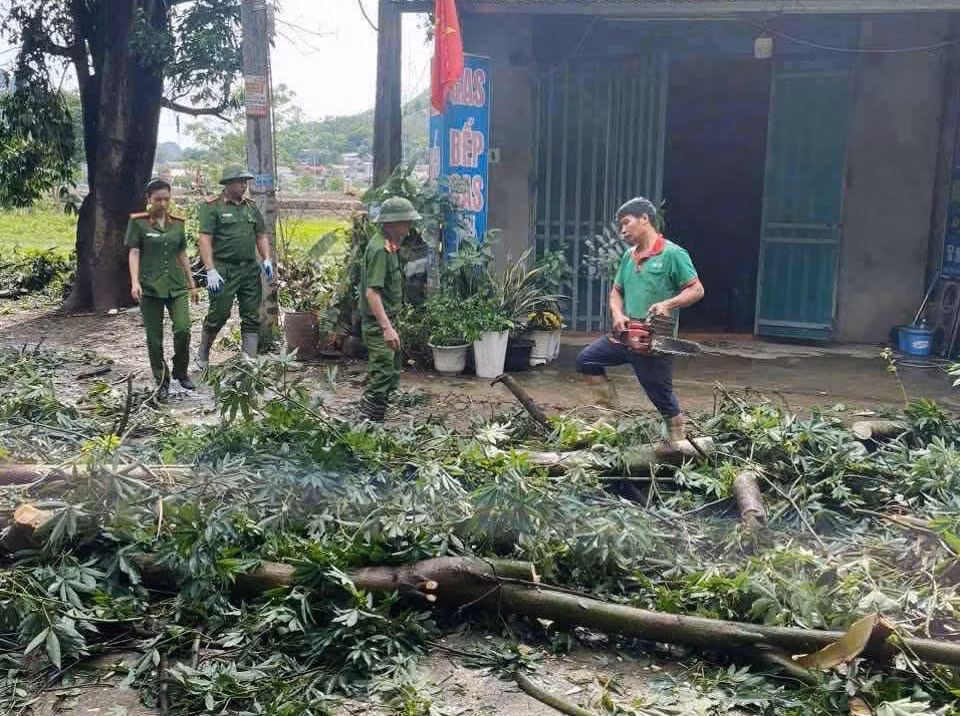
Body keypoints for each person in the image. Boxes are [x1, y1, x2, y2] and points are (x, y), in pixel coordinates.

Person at [575, 197, 704, 441]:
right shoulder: (628, 256)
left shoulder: (673, 254)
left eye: (626, 223)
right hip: (624, 334)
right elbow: (616, 291)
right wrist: (617, 313)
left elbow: (696, 290)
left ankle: (678, 441)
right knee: (587, 360)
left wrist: (668, 303)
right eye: (620, 226)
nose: (622, 231)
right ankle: (608, 416)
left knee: (662, 398)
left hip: (653, 341)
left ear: (645, 218)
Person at [125, 178, 198, 401]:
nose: (163, 204)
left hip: (176, 286)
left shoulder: (178, 224)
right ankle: (162, 379)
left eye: (167, 199)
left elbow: (182, 254)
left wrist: (192, 284)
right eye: (158, 199)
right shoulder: (138, 223)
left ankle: (180, 371)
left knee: (183, 330)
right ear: (149, 199)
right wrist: (135, 282)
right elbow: (134, 252)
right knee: (154, 339)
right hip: (150, 287)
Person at [196, 165, 274, 368]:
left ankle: (250, 360)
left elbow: (261, 235)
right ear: (228, 184)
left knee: (251, 315)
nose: (243, 185)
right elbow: (204, 239)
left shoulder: (250, 207)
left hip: (249, 270)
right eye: (240, 182)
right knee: (219, 314)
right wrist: (210, 270)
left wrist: (266, 258)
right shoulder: (213, 207)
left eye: (245, 182)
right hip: (224, 269)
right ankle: (203, 354)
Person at [358, 196, 422, 422]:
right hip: (378, 325)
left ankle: (375, 421)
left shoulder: (390, 246)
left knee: (391, 373)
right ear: (391, 224)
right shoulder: (379, 250)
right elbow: (371, 293)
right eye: (406, 223)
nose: (409, 228)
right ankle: (367, 424)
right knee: (382, 373)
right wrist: (387, 328)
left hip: (387, 320)